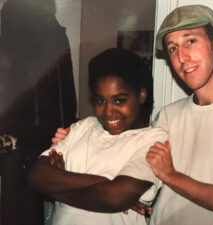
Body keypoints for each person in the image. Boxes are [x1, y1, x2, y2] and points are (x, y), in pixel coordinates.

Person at [52, 5, 213, 225]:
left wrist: (170, 175)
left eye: (191, 41)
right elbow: (127, 164)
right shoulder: (169, 115)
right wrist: (72, 143)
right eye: (172, 48)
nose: (182, 57)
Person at [28, 48, 168, 225]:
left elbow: (114, 198)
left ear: (141, 95)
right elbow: (37, 176)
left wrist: (56, 186)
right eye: (100, 100)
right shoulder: (83, 127)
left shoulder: (153, 140)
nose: (109, 112)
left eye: (119, 100)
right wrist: (103, 182)